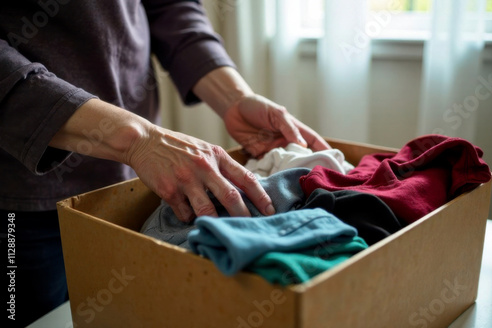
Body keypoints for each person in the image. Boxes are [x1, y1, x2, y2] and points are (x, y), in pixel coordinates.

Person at [0, 0, 330, 326]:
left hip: (130, 184)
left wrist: (234, 99)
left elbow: (169, 5)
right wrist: (138, 139)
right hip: (19, 193)